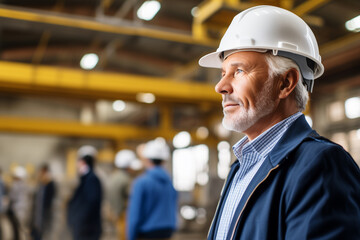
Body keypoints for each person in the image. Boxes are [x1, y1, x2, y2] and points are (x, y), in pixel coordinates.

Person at [198, 5, 360, 240]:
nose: (221, 86)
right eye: (223, 73)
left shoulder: (320, 165)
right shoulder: (241, 167)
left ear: (285, 83)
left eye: (239, 71)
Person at [127, 138, 177, 240]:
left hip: (147, 234)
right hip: (167, 232)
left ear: (147, 160)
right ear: (164, 160)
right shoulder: (169, 183)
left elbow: (134, 216)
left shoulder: (141, 183)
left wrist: (131, 236)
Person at [67, 145, 103, 240]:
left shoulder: (91, 179)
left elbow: (90, 203)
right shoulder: (88, 179)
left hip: (86, 230)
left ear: (82, 162)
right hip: (84, 228)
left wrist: (77, 221)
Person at [106, 149, 138, 240]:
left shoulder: (114, 176)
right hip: (124, 215)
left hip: (116, 213)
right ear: (128, 166)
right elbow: (133, 197)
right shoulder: (126, 179)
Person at [30, 164, 56, 240]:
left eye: (42, 172)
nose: (41, 174)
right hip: (37, 218)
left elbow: (50, 202)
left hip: (45, 217)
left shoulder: (51, 185)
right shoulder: (40, 185)